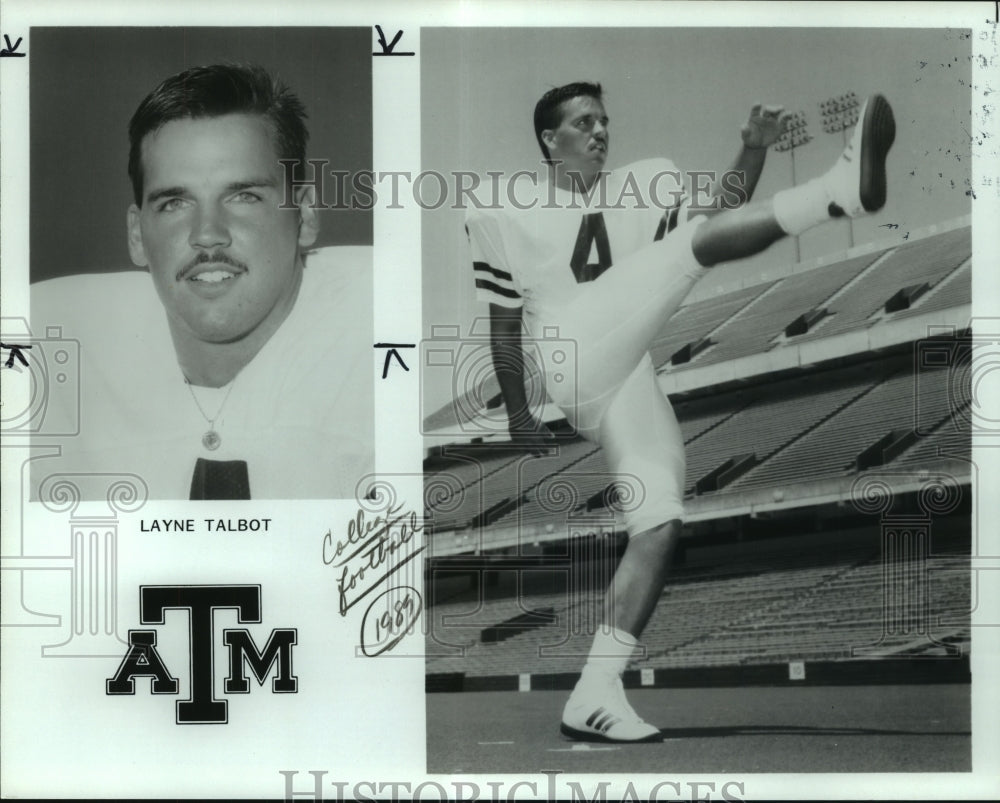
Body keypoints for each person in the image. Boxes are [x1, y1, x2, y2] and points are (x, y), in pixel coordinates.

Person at [465, 81, 895, 742]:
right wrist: (519, 412)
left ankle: (595, 689)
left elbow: (720, 220)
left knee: (661, 516)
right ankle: (835, 192)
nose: (602, 130)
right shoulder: (508, 209)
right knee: (686, 249)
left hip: (626, 370)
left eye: (605, 119)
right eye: (585, 122)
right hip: (569, 354)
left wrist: (749, 150)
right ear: (551, 141)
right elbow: (503, 327)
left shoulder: (644, 184)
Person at [30, 64, 373, 501]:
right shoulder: (42, 342)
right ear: (137, 235)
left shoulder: (389, 321)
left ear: (303, 214)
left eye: (244, 196)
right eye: (175, 202)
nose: (208, 233)